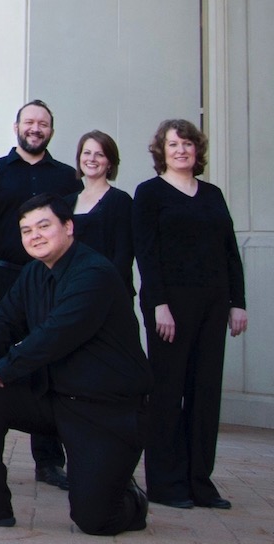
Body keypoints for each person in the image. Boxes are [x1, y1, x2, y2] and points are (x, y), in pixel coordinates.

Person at [0, 195, 150, 535]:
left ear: (68, 227)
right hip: (55, 398)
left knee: (95, 520)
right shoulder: (35, 273)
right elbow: (2, 321)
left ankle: (129, 496)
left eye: (43, 226)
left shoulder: (94, 273)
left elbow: (55, 336)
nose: (34, 235)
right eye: (26, 230)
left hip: (105, 410)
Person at [135, 119, 248, 510]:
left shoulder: (213, 194)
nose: (180, 150)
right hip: (170, 306)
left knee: (205, 393)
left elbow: (230, 251)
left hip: (214, 304)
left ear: (197, 151)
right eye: (172, 144)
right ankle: (166, 485)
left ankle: (200, 482)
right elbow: (146, 254)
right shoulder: (149, 193)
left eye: (187, 143)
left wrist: (238, 302)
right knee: (167, 393)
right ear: (161, 152)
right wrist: (158, 304)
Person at [0, 100, 81, 489]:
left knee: (48, 362)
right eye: (29, 122)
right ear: (16, 127)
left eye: (43, 124)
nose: (35, 128)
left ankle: (48, 459)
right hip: (3, 277)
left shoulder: (66, 178)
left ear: (51, 132)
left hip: (49, 279)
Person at [66, 131, 133, 293]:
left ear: (110, 162)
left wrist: (102, 288)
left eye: (100, 154)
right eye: (87, 153)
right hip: (72, 290)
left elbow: (124, 255)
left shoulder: (121, 201)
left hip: (109, 291)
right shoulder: (66, 202)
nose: (92, 159)